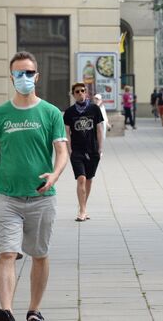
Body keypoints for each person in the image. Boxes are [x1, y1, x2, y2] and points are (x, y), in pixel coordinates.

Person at [0, 51, 68, 321]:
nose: (23, 78)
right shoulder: (0, 114)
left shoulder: (50, 113)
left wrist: (55, 175)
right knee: (7, 254)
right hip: (6, 198)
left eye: (28, 73)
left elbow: (62, 151)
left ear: (36, 76)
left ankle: (34, 311)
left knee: (39, 254)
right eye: (18, 73)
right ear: (11, 77)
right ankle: (6, 312)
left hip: (42, 197)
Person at [64, 83, 104, 222]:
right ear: (73, 94)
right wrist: (69, 150)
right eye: (77, 91)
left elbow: (99, 129)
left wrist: (100, 149)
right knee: (81, 178)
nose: (80, 93)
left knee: (88, 180)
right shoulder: (69, 112)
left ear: (86, 92)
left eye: (83, 90)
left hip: (92, 150)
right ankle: (82, 211)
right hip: (77, 151)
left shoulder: (94, 109)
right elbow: (67, 133)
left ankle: (83, 207)